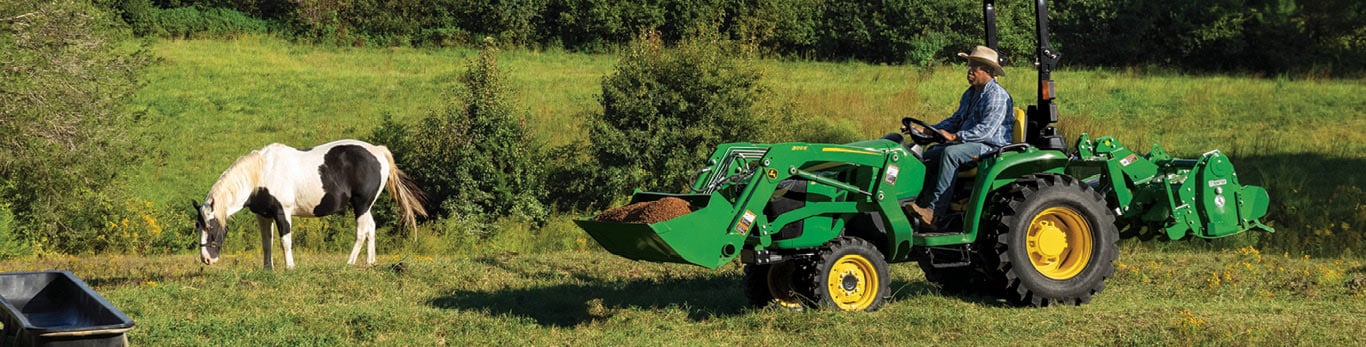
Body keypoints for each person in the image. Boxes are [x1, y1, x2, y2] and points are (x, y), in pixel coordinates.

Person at [904, 45, 1014, 230]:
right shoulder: (971, 93)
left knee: (951, 154)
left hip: (990, 146)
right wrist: (929, 131)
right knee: (930, 154)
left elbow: (986, 131)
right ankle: (919, 205)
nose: (969, 71)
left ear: (987, 71)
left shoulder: (997, 96)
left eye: (975, 67)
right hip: (971, 142)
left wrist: (956, 136)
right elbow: (955, 120)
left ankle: (934, 213)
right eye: (969, 66)